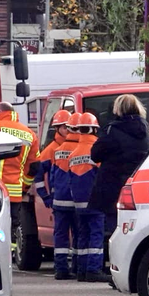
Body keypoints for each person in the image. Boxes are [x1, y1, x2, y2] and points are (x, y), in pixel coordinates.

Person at [90, 94, 149, 256]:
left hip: (112, 184)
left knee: (112, 228)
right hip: (135, 183)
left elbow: (95, 154)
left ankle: (113, 261)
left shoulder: (113, 130)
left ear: (118, 109)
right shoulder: (145, 129)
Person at [0, 103, 38, 239]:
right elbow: (34, 166)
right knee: (12, 228)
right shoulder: (29, 134)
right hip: (15, 193)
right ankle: (11, 252)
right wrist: (24, 187)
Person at [67, 113, 106, 282]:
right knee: (96, 235)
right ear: (94, 129)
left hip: (78, 203)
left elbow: (71, 180)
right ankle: (93, 270)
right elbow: (103, 177)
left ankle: (82, 271)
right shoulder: (97, 152)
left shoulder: (73, 154)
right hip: (95, 202)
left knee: (83, 235)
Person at [49, 113, 82, 280]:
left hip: (60, 200)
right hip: (77, 201)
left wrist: (50, 196)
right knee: (79, 234)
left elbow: (52, 177)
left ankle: (61, 269)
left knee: (61, 236)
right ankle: (77, 267)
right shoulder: (83, 149)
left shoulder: (57, 151)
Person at [32, 110, 73, 208]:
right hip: (59, 202)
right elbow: (38, 176)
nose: (68, 130)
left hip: (77, 201)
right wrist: (44, 196)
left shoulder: (77, 146)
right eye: (65, 128)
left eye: (70, 127)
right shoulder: (50, 150)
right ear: (56, 128)